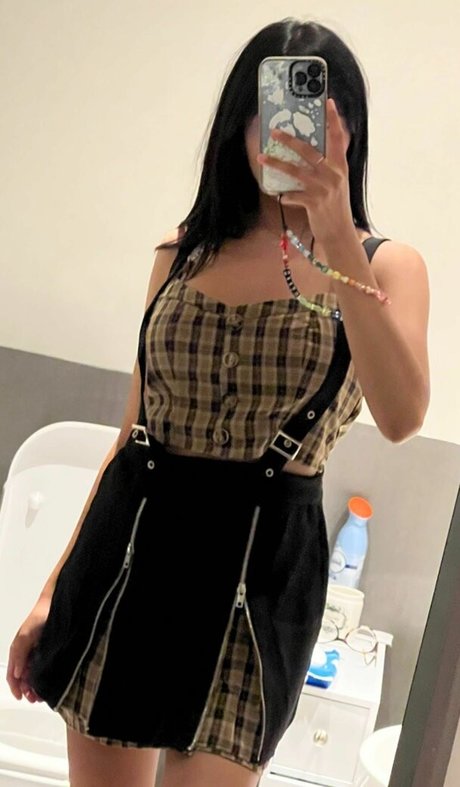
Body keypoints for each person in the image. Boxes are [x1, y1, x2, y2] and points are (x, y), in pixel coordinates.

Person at [6, 17, 429, 787]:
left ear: (347, 133)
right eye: (267, 112)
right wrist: (48, 591)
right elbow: (131, 435)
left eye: (311, 116)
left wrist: (335, 235)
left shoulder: (385, 266)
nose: (284, 135)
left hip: (260, 576)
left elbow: (402, 416)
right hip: (128, 555)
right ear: (239, 120)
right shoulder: (182, 253)